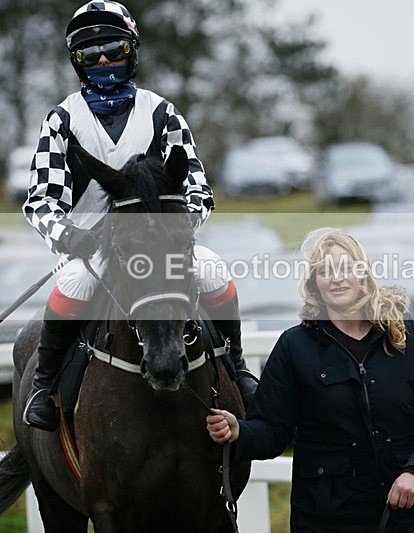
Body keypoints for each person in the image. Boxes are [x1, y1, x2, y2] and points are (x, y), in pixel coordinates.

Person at [21, 1, 255, 432]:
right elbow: (40, 202)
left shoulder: (162, 113)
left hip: (164, 240)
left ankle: (238, 369)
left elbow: (199, 189)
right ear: (78, 62)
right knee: (74, 282)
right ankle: (43, 386)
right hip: (92, 248)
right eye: (91, 55)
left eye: (113, 48)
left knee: (214, 271)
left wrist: (174, 228)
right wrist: (70, 237)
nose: (104, 60)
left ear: (132, 51)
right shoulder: (61, 120)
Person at [206, 228, 414, 532]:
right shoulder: (294, 347)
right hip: (325, 518)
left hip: (406, 517)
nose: (337, 278)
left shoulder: (411, 336)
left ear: (364, 273)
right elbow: (273, 430)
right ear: (315, 283)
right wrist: (240, 432)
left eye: (346, 268)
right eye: (326, 271)